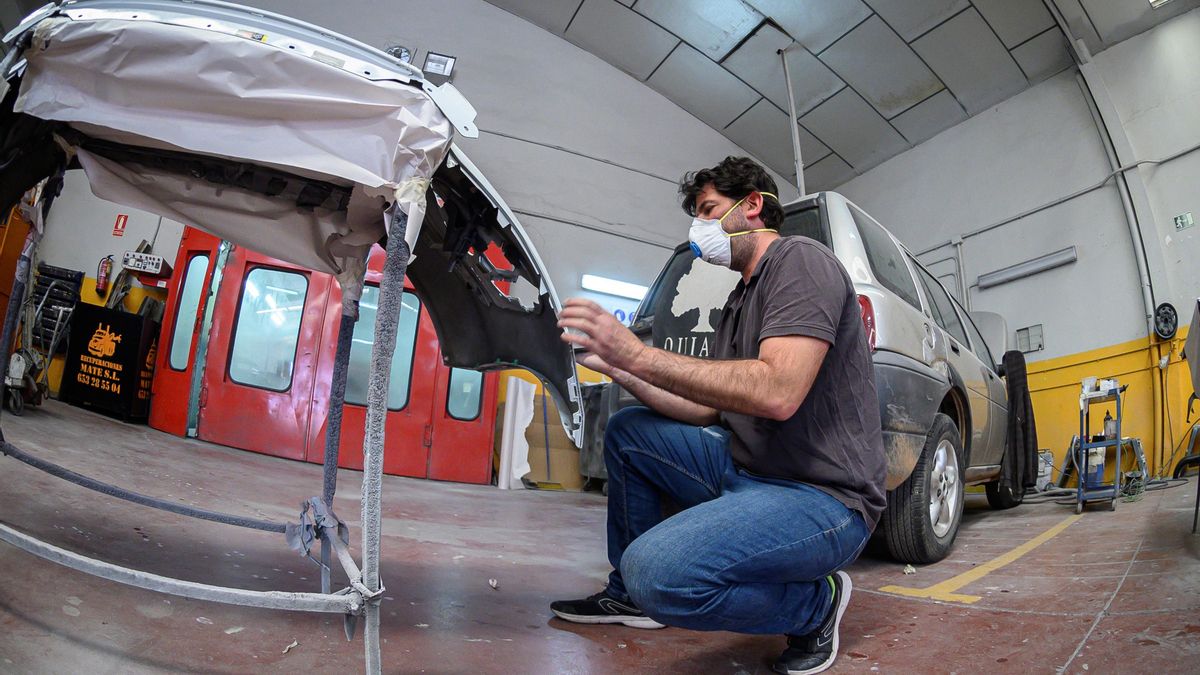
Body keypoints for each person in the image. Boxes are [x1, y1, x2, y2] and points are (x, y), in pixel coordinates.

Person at [550, 156, 886, 675]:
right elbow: (709, 406)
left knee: (660, 575)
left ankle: (814, 606)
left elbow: (778, 392)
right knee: (629, 433)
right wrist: (617, 365)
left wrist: (636, 352)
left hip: (822, 498)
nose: (699, 230)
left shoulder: (800, 261)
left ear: (753, 206)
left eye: (708, 211)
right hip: (749, 470)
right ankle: (629, 600)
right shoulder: (738, 300)